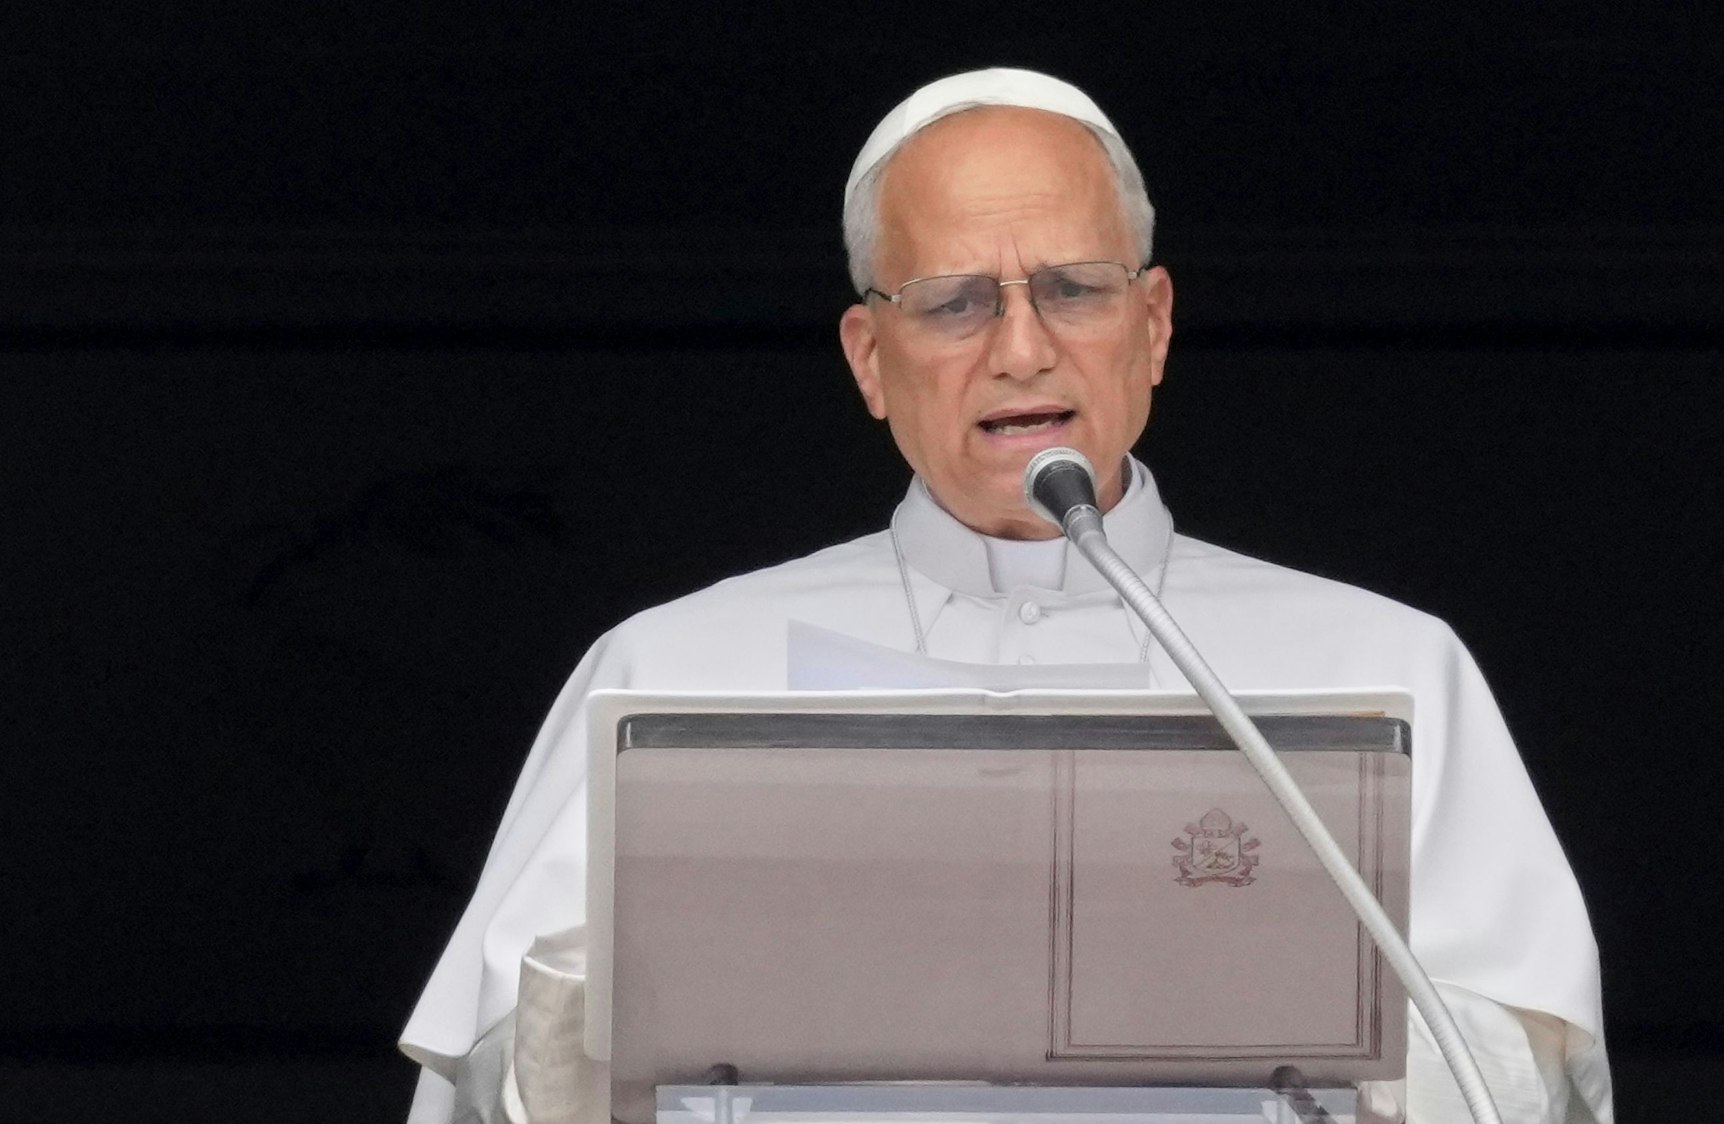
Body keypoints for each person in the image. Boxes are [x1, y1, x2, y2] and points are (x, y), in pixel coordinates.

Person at [400, 68, 1614, 1124]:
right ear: (871, 360)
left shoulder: (1393, 661)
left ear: (1153, 324)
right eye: (954, 302)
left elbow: (1516, 1074)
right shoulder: (668, 669)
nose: (1022, 348)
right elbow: (512, 1070)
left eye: (1074, 290)